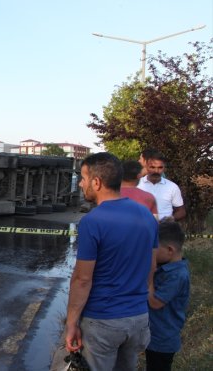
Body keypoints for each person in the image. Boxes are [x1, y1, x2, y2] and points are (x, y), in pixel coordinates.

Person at [65, 152, 158, 370]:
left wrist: (71, 323)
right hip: (138, 318)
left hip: (103, 321)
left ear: (96, 183)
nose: (80, 184)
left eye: (83, 178)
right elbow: (151, 267)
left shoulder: (93, 221)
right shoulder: (146, 215)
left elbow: (82, 279)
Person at [145, 221, 190, 371]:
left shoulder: (177, 276)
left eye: (153, 249)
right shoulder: (166, 268)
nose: (150, 253)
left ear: (170, 250)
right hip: (154, 336)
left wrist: (149, 277)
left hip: (162, 340)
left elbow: (155, 303)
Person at [137, 152, 186, 221]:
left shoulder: (172, 187)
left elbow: (181, 211)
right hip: (142, 228)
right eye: (152, 167)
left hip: (165, 229)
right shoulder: (137, 185)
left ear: (164, 168)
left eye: (160, 168)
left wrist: (171, 219)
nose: (156, 171)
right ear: (146, 167)